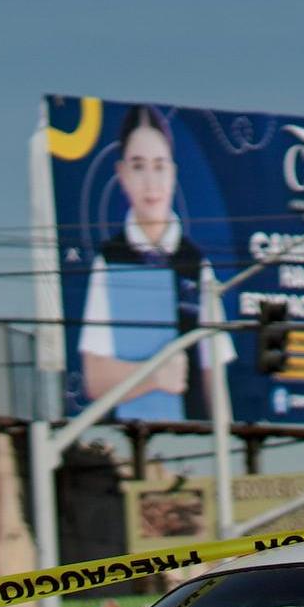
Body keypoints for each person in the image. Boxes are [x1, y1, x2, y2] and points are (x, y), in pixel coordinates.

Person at [75, 110, 217, 424]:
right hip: (126, 433)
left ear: (173, 173)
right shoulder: (110, 261)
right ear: (122, 174)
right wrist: (153, 376)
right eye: (139, 166)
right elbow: (94, 379)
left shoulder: (195, 263)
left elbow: (214, 375)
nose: (151, 182)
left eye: (159, 166)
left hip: (195, 439)